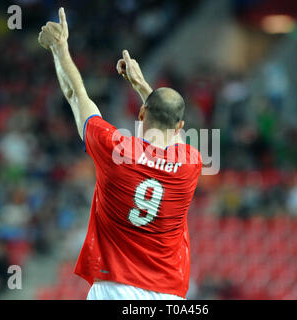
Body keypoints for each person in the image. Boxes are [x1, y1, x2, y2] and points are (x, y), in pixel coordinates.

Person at [38, 8, 202, 300]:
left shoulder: (115, 149)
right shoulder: (191, 163)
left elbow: (76, 96)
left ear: (140, 113)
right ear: (180, 126)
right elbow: (166, 120)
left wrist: (60, 48)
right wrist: (142, 86)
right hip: (169, 295)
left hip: (114, 287)